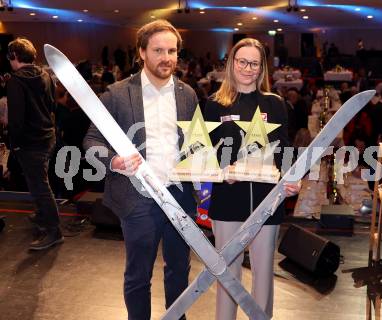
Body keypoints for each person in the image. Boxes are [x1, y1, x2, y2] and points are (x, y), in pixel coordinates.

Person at [83, 20, 198, 320]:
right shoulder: (117, 94)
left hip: (179, 196)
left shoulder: (188, 94)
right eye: (158, 50)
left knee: (179, 272)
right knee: (138, 276)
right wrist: (114, 161)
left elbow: (197, 144)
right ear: (141, 53)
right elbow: (91, 141)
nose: (166, 57)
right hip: (137, 199)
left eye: (172, 50)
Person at [204, 38, 301, 320]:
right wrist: (224, 172)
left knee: (262, 276)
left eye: (254, 63)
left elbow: (283, 149)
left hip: (267, 201)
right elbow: (204, 153)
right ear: (232, 64)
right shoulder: (213, 105)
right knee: (226, 274)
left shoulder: (275, 103)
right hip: (227, 200)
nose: (248, 68)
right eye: (242, 62)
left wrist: (291, 179)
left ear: (262, 69)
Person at [6, 37, 63, 250]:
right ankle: (42, 215)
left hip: (29, 142)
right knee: (40, 182)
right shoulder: (46, 75)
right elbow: (51, 105)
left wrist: (15, 144)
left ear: (14, 56)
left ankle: (54, 230)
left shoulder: (16, 81)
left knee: (39, 186)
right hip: (47, 137)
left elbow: (16, 119)